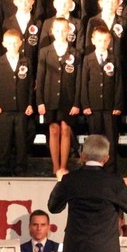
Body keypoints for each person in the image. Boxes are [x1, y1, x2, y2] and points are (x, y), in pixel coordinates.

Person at [48, 134, 127, 252]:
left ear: (82, 155)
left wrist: (60, 181)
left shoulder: (70, 180)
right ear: (106, 158)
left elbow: (53, 207)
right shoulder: (114, 182)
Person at [36, 18, 80, 176]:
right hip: (50, 98)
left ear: (68, 31)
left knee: (66, 130)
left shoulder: (75, 53)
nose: (60, 33)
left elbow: (79, 80)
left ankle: (63, 166)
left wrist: (76, 102)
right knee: (53, 130)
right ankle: (55, 167)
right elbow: (40, 78)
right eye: (57, 30)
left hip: (68, 98)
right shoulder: (45, 52)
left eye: (63, 30)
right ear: (52, 31)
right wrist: (40, 101)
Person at [77, 26, 123, 168]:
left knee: (111, 137)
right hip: (93, 106)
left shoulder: (114, 59)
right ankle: (93, 166)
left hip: (110, 106)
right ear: (93, 41)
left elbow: (118, 83)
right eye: (99, 40)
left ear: (109, 41)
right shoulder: (88, 59)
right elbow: (84, 83)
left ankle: (111, 167)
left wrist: (117, 105)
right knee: (94, 138)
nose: (102, 43)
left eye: (105, 40)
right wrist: (85, 104)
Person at [0, 29, 34, 176]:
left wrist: (30, 103)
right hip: (4, 107)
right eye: (9, 43)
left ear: (21, 43)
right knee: (5, 138)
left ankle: (21, 165)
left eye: (15, 43)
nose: (13, 45)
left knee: (21, 138)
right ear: (4, 44)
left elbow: (30, 85)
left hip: (22, 107)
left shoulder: (26, 61)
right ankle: (2, 165)